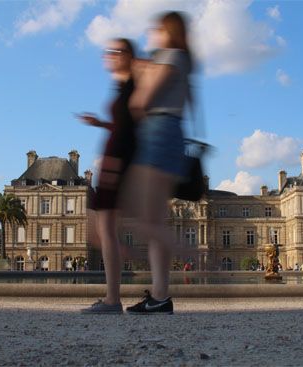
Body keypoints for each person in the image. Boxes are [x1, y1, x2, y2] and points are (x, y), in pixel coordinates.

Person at [124, 11, 193, 315]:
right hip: (168, 132)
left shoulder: (172, 57)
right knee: (154, 219)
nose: (152, 32)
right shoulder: (178, 60)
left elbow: (142, 101)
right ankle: (160, 296)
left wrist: (141, 78)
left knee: (142, 216)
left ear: (169, 31)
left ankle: (193, 255)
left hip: (158, 133)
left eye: (157, 28)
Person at [80, 38, 138, 315]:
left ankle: (113, 299)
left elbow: (132, 127)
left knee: (103, 228)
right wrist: (100, 123)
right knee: (100, 229)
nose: (110, 56)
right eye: (109, 51)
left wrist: (119, 164)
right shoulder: (123, 85)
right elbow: (122, 124)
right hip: (114, 159)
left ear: (128, 54)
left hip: (117, 160)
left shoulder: (133, 85)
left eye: (116, 51)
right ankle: (112, 295)